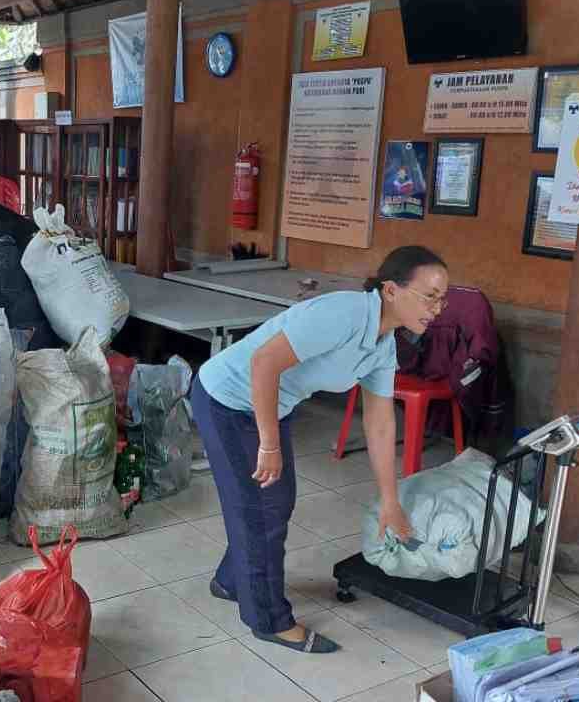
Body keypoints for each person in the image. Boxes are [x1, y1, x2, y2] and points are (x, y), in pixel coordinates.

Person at [191, 245, 448, 654]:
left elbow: (380, 423)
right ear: (391, 290)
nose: (437, 308)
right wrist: (269, 444)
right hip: (227, 399)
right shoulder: (343, 313)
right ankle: (269, 620)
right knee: (263, 507)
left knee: (274, 503)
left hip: (270, 403)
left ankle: (231, 581)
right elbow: (263, 363)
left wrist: (389, 500)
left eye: (442, 298)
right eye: (429, 295)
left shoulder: (382, 345)